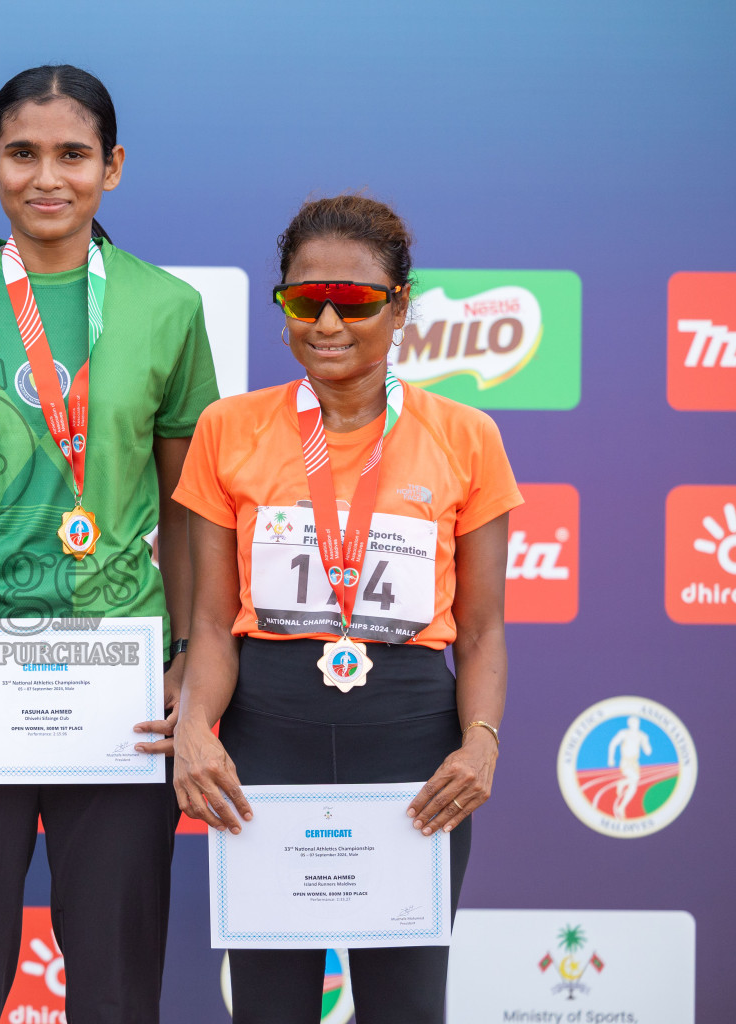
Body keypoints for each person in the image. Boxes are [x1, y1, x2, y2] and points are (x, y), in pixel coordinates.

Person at [0, 64, 219, 1024]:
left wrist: (187, 657)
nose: (47, 177)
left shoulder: (166, 308)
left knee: (113, 984)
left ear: (114, 166)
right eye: (22, 154)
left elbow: (193, 509)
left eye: (73, 154)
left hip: (120, 680)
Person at [160, 194, 520, 1023]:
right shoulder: (229, 429)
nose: (327, 320)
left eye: (355, 301)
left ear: (400, 308)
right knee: (270, 1008)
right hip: (266, 738)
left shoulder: (466, 436)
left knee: (406, 1007)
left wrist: (481, 744)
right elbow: (213, 626)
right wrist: (195, 730)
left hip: (412, 744)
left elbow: (485, 627)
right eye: (302, 298)